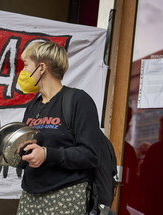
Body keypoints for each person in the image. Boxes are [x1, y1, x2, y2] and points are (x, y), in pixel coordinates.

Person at [16, 41, 100, 214]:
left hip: (65, 194)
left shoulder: (78, 100)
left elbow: (90, 155)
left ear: (41, 67)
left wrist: (47, 154)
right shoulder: (33, 106)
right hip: (30, 195)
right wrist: (16, 153)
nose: (23, 72)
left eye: (26, 65)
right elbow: (29, 152)